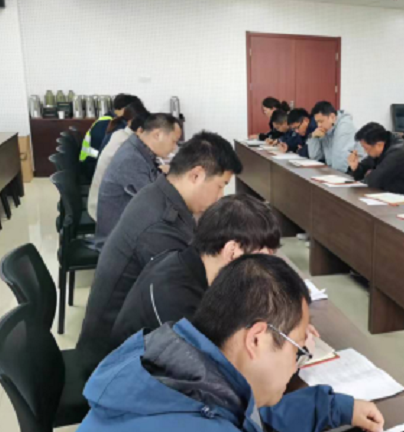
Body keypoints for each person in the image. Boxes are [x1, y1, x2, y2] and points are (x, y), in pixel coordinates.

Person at [45, 255, 404, 432]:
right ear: (257, 339)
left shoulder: (170, 366)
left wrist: (333, 407)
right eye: (297, 350)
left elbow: (236, 418)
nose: (297, 365)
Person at [77, 132, 243, 375]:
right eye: (221, 186)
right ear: (196, 175)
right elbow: (186, 301)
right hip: (112, 363)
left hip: (125, 341)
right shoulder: (160, 226)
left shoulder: (158, 194)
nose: (220, 197)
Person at [111, 194, 281, 352]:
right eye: (263, 259)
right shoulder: (175, 303)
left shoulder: (192, 264)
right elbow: (210, 366)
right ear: (232, 252)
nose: (266, 270)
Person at [95, 113, 183, 239]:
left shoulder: (137, 149)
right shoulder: (131, 159)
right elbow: (157, 203)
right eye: (173, 141)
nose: (174, 148)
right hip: (117, 242)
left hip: (129, 231)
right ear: (157, 135)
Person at [87, 100, 148, 220]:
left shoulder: (120, 133)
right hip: (104, 211)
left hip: (99, 199)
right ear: (141, 130)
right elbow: (142, 186)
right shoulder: (127, 142)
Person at [347, 122, 404, 200]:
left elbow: (374, 181)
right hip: (393, 197)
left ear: (379, 145)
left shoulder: (398, 151)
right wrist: (356, 167)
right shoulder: (383, 145)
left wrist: (364, 177)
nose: (365, 152)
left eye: (366, 148)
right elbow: (365, 168)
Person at [79, 94, 138, 179]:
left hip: (92, 163)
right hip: (91, 167)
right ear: (124, 109)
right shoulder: (106, 124)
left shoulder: (108, 119)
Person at [308, 100, 363, 173]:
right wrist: (313, 137)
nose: (319, 125)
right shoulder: (327, 129)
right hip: (336, 171)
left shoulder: (344, 127)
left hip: (355, 172)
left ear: (332, 117)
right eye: (317, 122)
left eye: (321, 121)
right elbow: (315, 157)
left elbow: (339, 162)